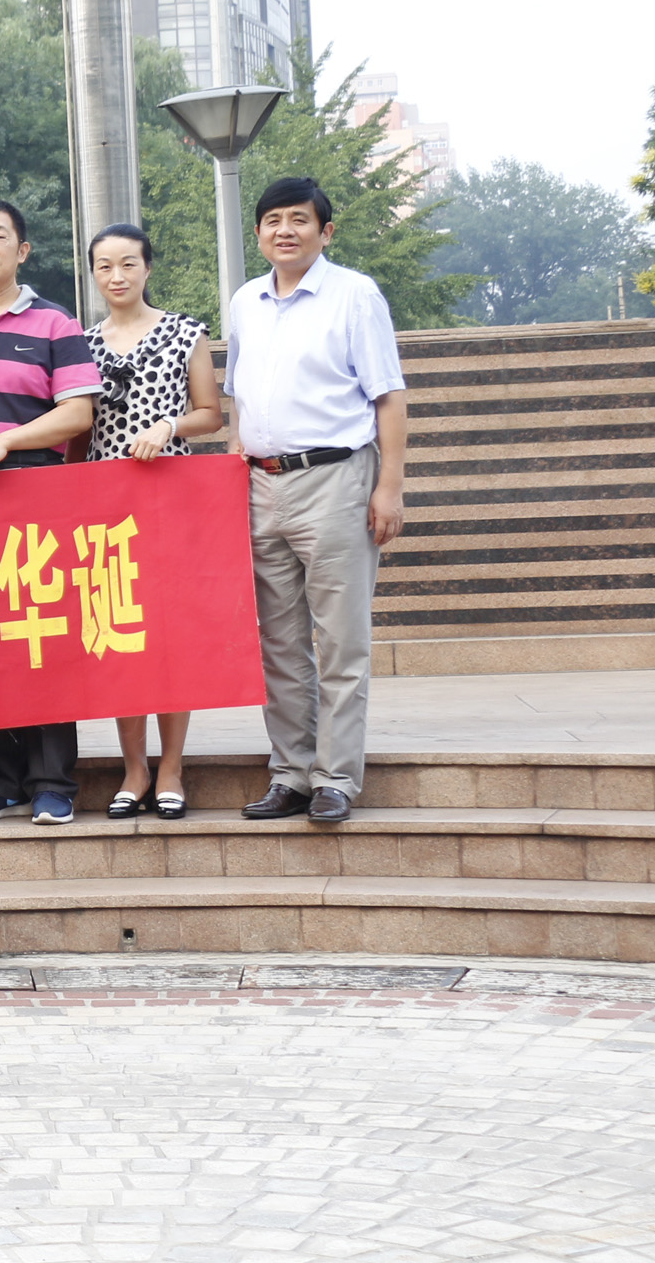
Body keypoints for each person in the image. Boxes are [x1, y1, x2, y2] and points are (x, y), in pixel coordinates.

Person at [228, 178, 408, 827]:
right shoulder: (245, 302)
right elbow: (238, 396)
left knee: (340, 641)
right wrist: (237, 459)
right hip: (261, 486)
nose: (285, 230)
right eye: (272, 220)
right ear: (258, 233)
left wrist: (389, 486)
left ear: (325, 232)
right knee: (278, 644)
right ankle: (291, 774)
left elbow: (388, 395)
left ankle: (335, 779)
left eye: (299, 220)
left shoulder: (355, 294)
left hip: (336, 480)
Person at [0, 199, 101, 829]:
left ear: (22, 250)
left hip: (33, 491)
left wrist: (6, 442)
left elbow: (77, 413)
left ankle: (53, 782)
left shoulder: (55, 323)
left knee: (42, 636)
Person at [81, 223, 224, 822]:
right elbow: (78, 429)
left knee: (170, 637)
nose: (117, 276)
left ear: (148, 267)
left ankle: (171, 766)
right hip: (105, 510)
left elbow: (211, 413)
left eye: (129, 264)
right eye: (105, 266)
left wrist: (169, 426)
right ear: (93, 273)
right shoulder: (81, 344)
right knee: (120, 636)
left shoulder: (186, 332)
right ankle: (134, 768)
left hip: (171, 504)